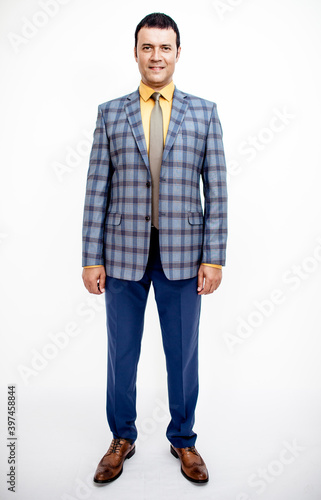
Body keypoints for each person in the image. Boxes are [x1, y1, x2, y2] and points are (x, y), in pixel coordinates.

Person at [82, 12, 227, 485]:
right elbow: (96, 189)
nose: (156, 56)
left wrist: (214, 255)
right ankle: (122, 436)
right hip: (121, 255)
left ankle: (183, 439)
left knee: (182, 352)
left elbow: (217, 190)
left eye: (165, 47)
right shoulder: (110, 112)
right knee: (121, 352)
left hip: (185, 256)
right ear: (136, 52)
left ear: (178, 53)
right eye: (148, 47)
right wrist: (91, 256)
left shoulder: (204, 112)